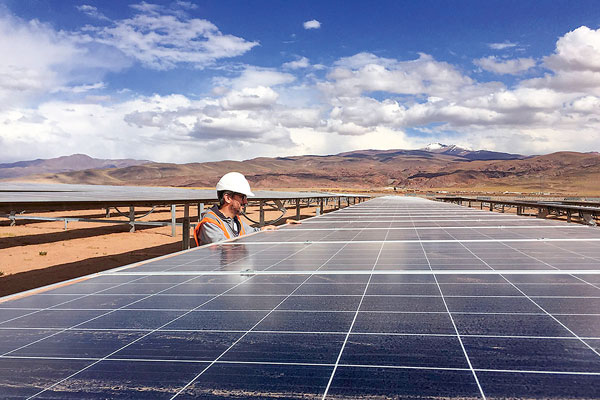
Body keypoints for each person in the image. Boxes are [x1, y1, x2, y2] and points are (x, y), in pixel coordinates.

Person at [194, 172, 277, 246]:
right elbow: (223, 250)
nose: (245, 202)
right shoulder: (210, 224)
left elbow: (250, 232)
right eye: (242, 197)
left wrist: (262, 230)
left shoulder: (235, 220)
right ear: (228, 198)